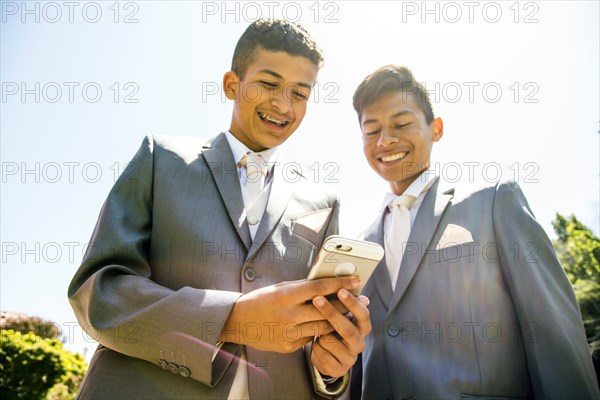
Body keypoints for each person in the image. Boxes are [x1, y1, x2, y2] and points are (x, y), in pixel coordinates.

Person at [68, 19, 370, 400]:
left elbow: (317, 335)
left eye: (300, 92)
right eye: (269, 83)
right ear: (232, 84)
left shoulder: (324, 203)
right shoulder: (160, 158)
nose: (283, 104)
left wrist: (330, 370)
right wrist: (231, 319)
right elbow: (99, 292)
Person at [349, 65, 599, 399]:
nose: (386, 139)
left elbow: (554, 331)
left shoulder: (495, 200)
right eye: (372, 129)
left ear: (435, 128)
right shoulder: (360, 246)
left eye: (402, 123)